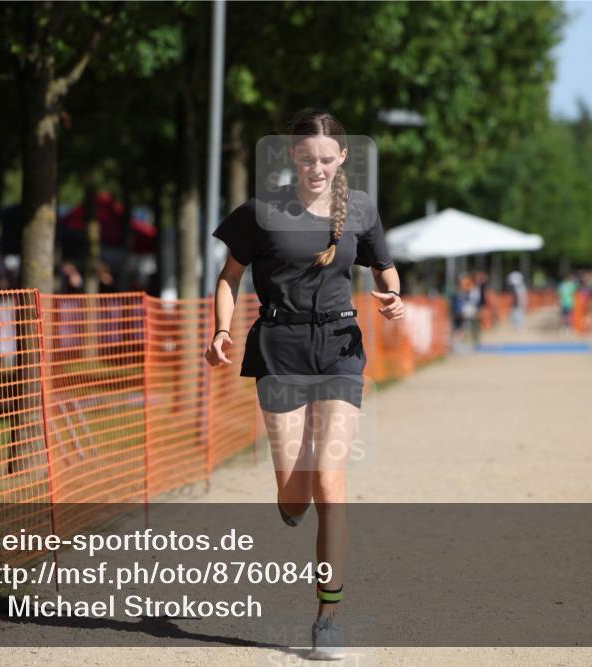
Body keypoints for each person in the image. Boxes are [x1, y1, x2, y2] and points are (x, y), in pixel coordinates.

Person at [205, 109, 404, 660]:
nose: (316, 167)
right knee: (296, 495)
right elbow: (229, 277)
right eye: (306, 157)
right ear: (292, 157)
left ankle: (328, 620)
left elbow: (384, 268)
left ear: (342, 157)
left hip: (339, 350)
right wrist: (221, 329)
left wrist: (393, 296)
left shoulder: (360, 208)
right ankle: (291, 501)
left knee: (330, 485)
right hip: (279, 350)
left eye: (326, 158)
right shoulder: (261, 211)